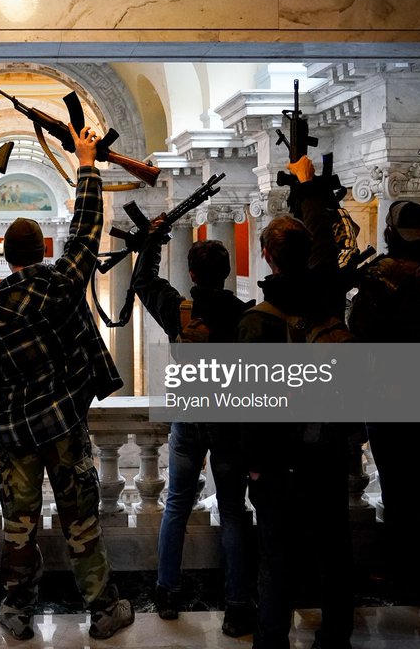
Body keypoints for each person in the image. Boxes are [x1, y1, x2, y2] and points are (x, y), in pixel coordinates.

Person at [0, 125, 133, 642]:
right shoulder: (61, 284)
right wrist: (86, 164)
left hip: (15, 439)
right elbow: (87, 228)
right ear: (44, 248)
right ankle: (103, 611)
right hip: (65, 426)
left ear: (9, 257)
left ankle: (17, 614)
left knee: (19, 530)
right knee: (81, 523)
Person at [236, 158, 354, 649]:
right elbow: (325, 247)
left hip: (279, 461)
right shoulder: (328, 297)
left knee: (276, 555)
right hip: (326, 448)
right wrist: (308, 190)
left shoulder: (256, 322)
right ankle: (336, 636)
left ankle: (272, 639)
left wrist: (254, 465)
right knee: (334, 549)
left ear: (266, 257)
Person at [132, 236, 256, 636]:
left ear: (190, 275)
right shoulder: (244, 315)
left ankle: (167, 593)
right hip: (228, 421)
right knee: (234, 511)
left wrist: (151, 243)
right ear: (227, 274)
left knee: (177, 506)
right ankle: (237, 606)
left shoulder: (179, 310)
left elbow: (142, 280)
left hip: (188, 416)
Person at [348, 200, 420, 602]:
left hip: (384, 389)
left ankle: (404, 575)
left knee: (397, 486)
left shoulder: (381, 273)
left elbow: (357, 326)